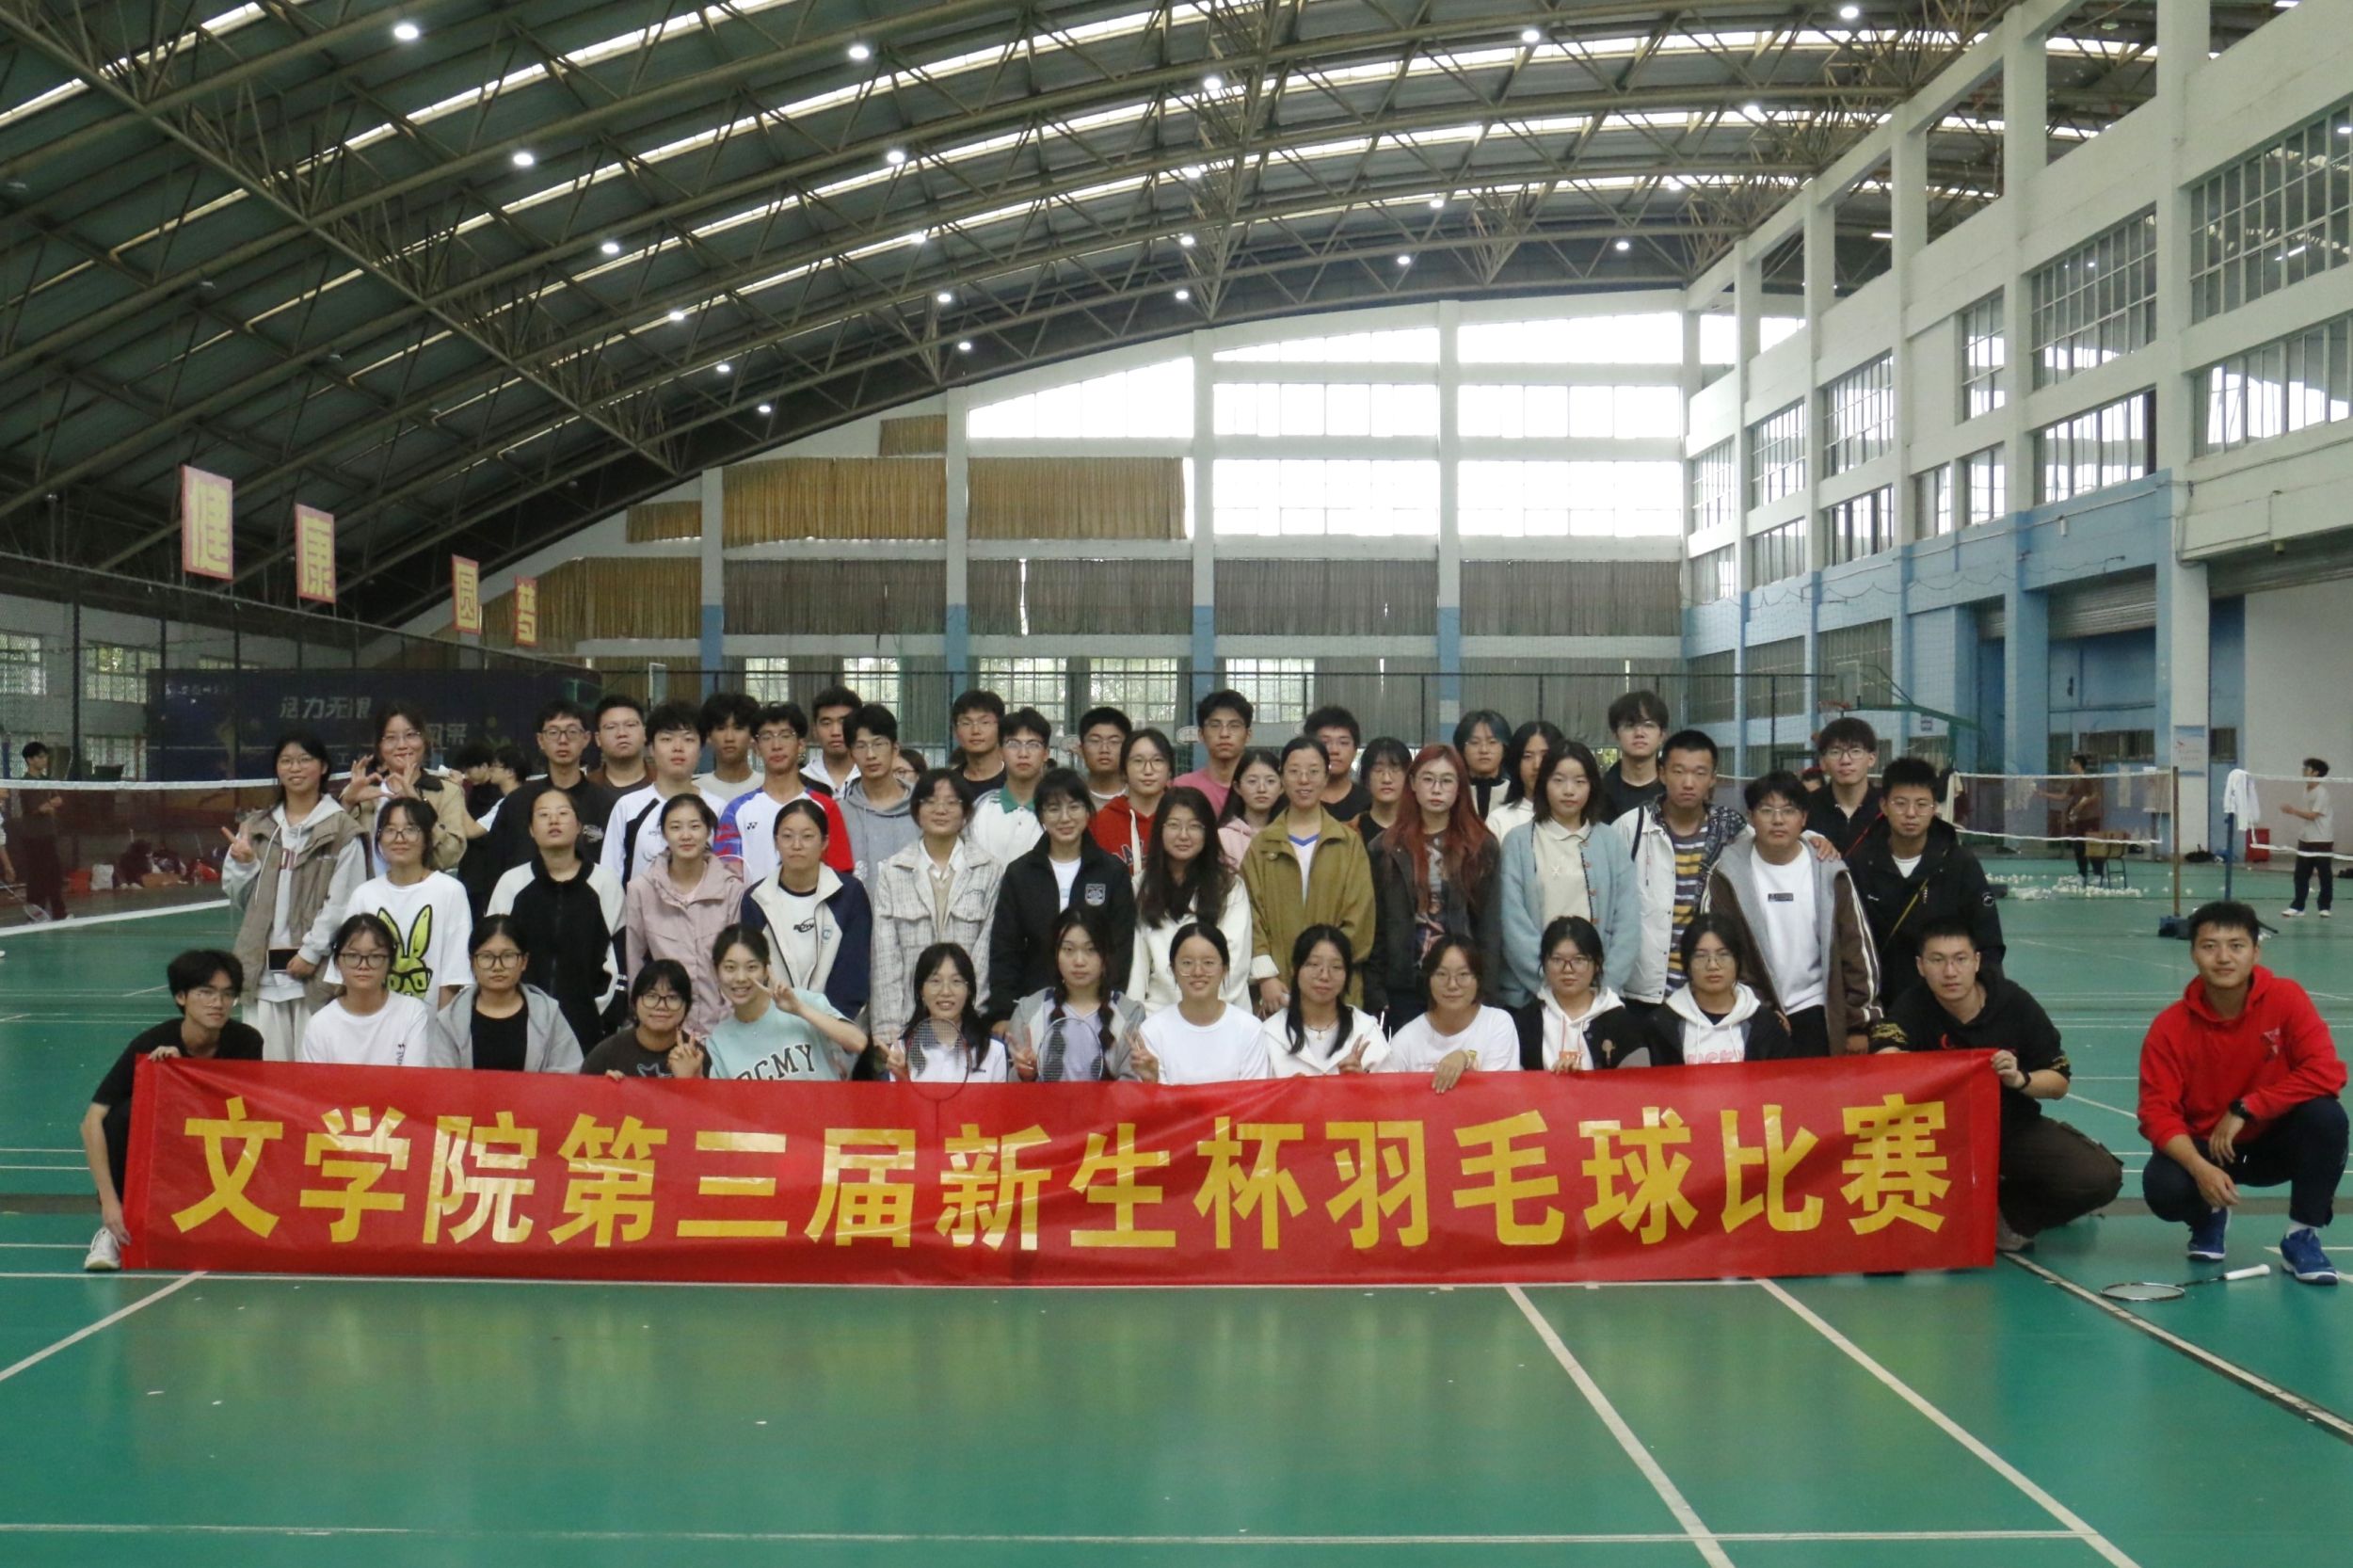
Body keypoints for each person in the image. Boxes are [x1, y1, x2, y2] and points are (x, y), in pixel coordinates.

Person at [2137, 901, 2347, 1283]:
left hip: (2272, 1145)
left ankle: (2302, 1235)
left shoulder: (2286, 999)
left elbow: (2327, 1073)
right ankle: (2208, 1215)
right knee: (2163, 1187)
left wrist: (2247, 1107)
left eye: (2236, 946)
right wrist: (2200, 1169)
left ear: (2255, 952)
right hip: (2207, 1149)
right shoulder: (2169, 1027)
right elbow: (2156, 1113)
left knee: (2327, 1117)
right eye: (2210, 946)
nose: (2223, 958)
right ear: (2193, 953)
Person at [1881, 920, 2121, 1252]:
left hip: (2009, 1128)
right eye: (1937, 960)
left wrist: (2020, 1079)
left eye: (1960, 959)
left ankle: (2007, 1215)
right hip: (1936, 1137)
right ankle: (1965, 1204)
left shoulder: (2013, 1003)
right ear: (1921, 966)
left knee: (2097, 1177)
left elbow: (2058, 1081)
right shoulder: (1911, 1005)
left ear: (1977, 961)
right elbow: (1885, 1057)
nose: (1950, 971)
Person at [80, 949, 264, 1271]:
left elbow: (245, 1109)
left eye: (227, 994)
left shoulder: (246, 1042)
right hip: (166, 1145)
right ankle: (113, 1231)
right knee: (122, 1115)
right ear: (181, 997)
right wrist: (109, 1202)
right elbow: (93, 1120)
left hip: (217, 1146)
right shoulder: (151, 1043)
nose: (218, 1003)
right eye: (206, 992)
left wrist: (182, 1076)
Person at [1702, 771, 1881, 1057]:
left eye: (1788, 810)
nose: (1778, 820)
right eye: (1766, 810)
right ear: (1750, 817)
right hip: (1751, 1012)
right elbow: (1716, 948)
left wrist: (1859, 1023)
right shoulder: (1727, 875)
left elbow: (1855, 945)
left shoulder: (1829, 870)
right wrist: (1756, 1006)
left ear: (1804, 818)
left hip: (1817, 1008)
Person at [222, 729, 367, 1061]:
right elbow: (241, 899)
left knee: (315, 1068)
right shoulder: (258, 827)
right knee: (266, 1069)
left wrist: (312, 952)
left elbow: (344, 902)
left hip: (315, 977)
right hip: (261, 972)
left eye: (304, 759)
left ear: (324, 767)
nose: (295, 768)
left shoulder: (341, 829)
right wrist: (244, 865)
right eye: (286, 761)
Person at [1848, 756, 2004, 1004]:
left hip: (1944, 1005)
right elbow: (1848, 945)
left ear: (1934, 808)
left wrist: (1982, 1003)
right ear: (1884, 806)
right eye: (1900, 803)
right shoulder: (1859, 863)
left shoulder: (1960, 863)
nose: (1911, 813)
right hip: (1878, 1004)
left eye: (1922, 804)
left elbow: (1988, 943)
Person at [1619, 728, 1750, 1021]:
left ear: (1713, 778)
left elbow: (1773, 845)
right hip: (1644, 992)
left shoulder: (1731, 830)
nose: (1688, 783)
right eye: (1678, 771)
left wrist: (1812, 839)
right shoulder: (1632, 827)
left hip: (1710, 991)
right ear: (1662, 774)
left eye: (1699, 773)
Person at [1240, 735, 1376, 1015]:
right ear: (1282, 778)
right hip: (1276, 993)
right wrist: (1265, 975)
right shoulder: (1262, 845)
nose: (1304, 780)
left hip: (1336, 989)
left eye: (1313, 771)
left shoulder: (1348, 843)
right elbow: (1249, 913)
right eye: (1294, 771)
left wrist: (1324, 971)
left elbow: (1360, 919)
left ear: (1326, 777)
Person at [1495, 742, 1637, 1008]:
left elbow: (1627, 922)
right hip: (1533, 996)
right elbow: (1512, 922)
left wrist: (1604, 986)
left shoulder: (1611, 841)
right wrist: (1549, 981)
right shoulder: (1519, 842)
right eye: (1558, 780)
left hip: (1599, 996)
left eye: (1580, 781)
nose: (1569, 790)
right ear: (1543, 785)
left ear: (1592, 786)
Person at [1368, 744, 1497, 1029]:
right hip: (1404, 984)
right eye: (1428, 779)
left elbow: (1490, 926)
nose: (1436, 789)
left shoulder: (1480, 846)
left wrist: (1486, 989)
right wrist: (1375, 989)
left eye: (1447, 780)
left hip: (1461, 983)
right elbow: (1375, 925)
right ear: (1413, 784)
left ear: (1460, 788)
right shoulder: (1384, 847)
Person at [990, 768, 1135, 1026]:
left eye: (1074, 807)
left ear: (1088, 811)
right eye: (1054, 809)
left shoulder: (1112, 872)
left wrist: (1108, 1006)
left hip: (1098, 1010)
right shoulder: (1020, 874)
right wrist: (1003, 1013)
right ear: (1041, 815)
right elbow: (1005, 948)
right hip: (1033, 1009)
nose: (1065, 818)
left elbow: (1121, 947)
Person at [868, 771, 1002, 1047]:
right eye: (930, 801)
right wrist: (888, 1029)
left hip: (968, 1024)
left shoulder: (989, 870)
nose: (941, 810)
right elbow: (885, 957)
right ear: (916, 811)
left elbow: (985, 952)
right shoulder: (894, 871)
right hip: (908, 1022)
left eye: (952, 802)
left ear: (966, 813)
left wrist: (971, 1016)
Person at [487, 790, 625, 1049]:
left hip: (588, 1026)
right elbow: (491, 952)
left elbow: (618, 955)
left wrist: (601, 1014)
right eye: (543, 815)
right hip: (517, 1022)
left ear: (579, 827)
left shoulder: (605, 883)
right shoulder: (512, 883)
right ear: (531, 830)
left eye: (563, 813)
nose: (553, 820)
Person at [737, 796, 872, 1026]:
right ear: (775, 842)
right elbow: (754, 973)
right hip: (775, 1028)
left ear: (825, 842)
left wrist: (826, 1022)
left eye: (807, 836)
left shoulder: (849, 893)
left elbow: (854, 971)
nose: (796, 845)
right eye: (787, 836)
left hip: (837, 1029)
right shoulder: (756, 899)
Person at [620, 792, 745, 1035]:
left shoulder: (732, 889)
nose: (686, 835)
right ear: (664, 833)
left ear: (708, 831)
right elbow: (634, 961)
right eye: (676, 827)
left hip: (723, 1028)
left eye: (695, 826)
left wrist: (728, 1029)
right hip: (664, 1027)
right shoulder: (641, 890)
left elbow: (736, 966)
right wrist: (643, 1019)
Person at [337, 796, 472, 1008]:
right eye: (390, 830)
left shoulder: (450, 891)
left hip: (431, 1021)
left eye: (410, 829)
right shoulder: (364, 894)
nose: (399, 838)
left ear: (427, 838)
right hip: (374, 1019)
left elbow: (454, 975)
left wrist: (444, 1026)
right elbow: (345, 972)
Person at [1130, 786, 1252, 1013]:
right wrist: (1136, 1018)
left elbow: (1235, 963)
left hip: (1222, 1012)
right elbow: (1136, 967)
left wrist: (1193, 1013)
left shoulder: (1230, 887)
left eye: (1195, 826)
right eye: (1174, 825)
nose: (1183, 835)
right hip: (1157, 1013)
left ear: (1208, 833)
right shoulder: (1141, 886)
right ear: (1160, 830)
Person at [702, 925, 868, 1080]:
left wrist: (800, 1009)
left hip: (825, 1103)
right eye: (730, 968)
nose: (740, 978)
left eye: (751, 967)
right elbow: (720, 1099)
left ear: (766, 970)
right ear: (716, 971)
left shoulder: (801, 1000)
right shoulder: (719, 1041)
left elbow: (858, 1043)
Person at [600, 700, 735, 888]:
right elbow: (609, 878)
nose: (677, 747)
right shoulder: (628, 807)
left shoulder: (719, 809)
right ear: (651, 748)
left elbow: (729, 877)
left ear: (701, 750)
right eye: (666, 739)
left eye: (688, 739)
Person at [713, 702, 853, 884]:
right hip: (752, 902)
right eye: (766, 737)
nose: (776, 745)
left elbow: (841, 878)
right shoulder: (736, 810)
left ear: (801, 745)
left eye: (785, 736)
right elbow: (725, 879)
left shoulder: (826, 806)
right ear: (756, 748)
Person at [1004, 909, 1149, 1081]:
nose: (1079, 961)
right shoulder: (1028, 1011)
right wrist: (1024, 1075)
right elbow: (1012, 1088)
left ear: (1106, 955)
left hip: (1111, 1101)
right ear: (1056, 954)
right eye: (1068, 949)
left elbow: (1134, 1085)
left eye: (1091, 949)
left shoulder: (1130, 1014)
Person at [427, 916, 585, 1072]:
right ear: (472, 962)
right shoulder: (451, 1020)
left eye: (508, 956)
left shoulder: (548, 1014)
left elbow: (569, 1073)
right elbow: (442, 1080)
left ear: (524, 961)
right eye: (486, 957)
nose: (497, 966)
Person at [339, 703, 481, 872]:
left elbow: (449, 857)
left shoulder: (447, 792)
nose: (402, 745)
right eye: (391, 738)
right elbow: (329, 851)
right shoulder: (360, 792)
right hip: (369, 887)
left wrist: (420, 807)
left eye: (410, 735)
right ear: (379, 747)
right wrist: (347, 803)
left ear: (424, 740)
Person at [486, 698, 615, 880]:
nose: (563, 740)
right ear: (540, 740)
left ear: (586, 738)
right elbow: (493, 865)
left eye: (572, 732)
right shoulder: (516, 803)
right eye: (553, 732)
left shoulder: (606, 804)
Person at [1640, 915, 1794, 1065]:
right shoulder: (1663, 1024)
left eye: (1723, 955)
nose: (1713, 965)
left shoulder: (1765, 1023)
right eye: (1701, 956)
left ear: (1737, 961)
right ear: (1687, 964)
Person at [1128, 922, 1271, 1084]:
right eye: (1187, 963)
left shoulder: (1250, 1029)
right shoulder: (1152, 1031)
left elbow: (1253, 1095)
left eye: (1208, 963)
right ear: (1173, 969)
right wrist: (1151, 1081)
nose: (1197, 972)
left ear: (1224, 969)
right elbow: (1155, 1098)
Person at [1380, 937, 1518, 1091]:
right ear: (1428, 979)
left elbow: (1498, 1094)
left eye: (1463, 975)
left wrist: (1465, 1058)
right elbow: (1388, 1095)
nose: (1452, 985)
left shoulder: (1497, 1024)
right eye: (1442, 974)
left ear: (1478, 980)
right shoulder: (1406, 1039)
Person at [301, 913, 436, 1066]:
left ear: (390, 962)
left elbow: (414, 1077)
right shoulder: (319, 1024)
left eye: (375, 956)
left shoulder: (411, 1011)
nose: (363, 965)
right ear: (337, 962)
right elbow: (315, 1081)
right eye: (353, 956)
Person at [1513, 917, 1643, 1072]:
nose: (1568, 969)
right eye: (1557, 960)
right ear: (1544, 963)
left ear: (1597, 964)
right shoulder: (1525, 1022)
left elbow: (1637, 1083)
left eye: (1579, 960)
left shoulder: (1622, 1023)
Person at [1261, 925, 1389, 1076]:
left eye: (1336, 967)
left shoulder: (1365, 1029)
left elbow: (1390, 1087)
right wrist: (1288, 1089)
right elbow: (1257, 1089)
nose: (1324, 976)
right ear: (1294, 970)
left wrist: (1362, 1081)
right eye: (1314, 964)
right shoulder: (1271, 1033)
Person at [884, 943, 1007, 1081]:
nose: (946, 991)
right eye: (935, 981)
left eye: (956, 981)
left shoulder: (994, 1049)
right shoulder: (901, 1050)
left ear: (969, 991)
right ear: (921, 991)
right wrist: (902, 1079)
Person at [580, 961, 708, 1078]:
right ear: (634, 1002)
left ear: (687, 1006)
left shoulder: (697, 1057)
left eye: (672, 997)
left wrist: (689, 1081)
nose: (661, 1006)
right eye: (651, 996)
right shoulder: (606, 1054)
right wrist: (607, 1089)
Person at [838, 703, 918, 881]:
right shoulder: (841, 813)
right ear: (851, 754)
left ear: (895, 749)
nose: (871, 755)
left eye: (879, 744)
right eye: (860, 746)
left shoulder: (922, 807)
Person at [966, 707, 1051, 866]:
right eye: (1013, 744)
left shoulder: (1058, 811)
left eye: (1033, 744)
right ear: (1000, 752)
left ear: (1046, 753)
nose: (1023, 753)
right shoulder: (979, 810)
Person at [1092, 727, 1174, 872]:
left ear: (1170, 771)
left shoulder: (1185, 819)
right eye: (1138, 761)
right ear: (1124, 771)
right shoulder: (1100, 823)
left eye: (1157, 760)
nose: (1148, 770)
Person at [1805, 716, 1882, 855]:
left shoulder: (1887, 806)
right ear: (1822, 762)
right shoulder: (1806, 807)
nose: (1845, 760)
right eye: (1835, 752)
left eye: (1855, 751)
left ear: (1872, 758)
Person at [8, 741, 66, 920]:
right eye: (40, 757)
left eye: (45, 756)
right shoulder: (26, 783)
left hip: (49, 834)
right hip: (33, 836)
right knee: (37, 877)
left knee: (55, 875)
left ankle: (60, 915)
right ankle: (34, 916)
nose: (45, 759)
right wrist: (49, 805)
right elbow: (39, 808)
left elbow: (58, 800)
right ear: (30, 760)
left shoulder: (47, 781)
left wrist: (49, 805)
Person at [1173, 688, 1254, 811]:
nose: (1224, 734)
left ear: (1248, 735)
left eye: (1234, 726)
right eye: (1215, 725)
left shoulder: (1262, 790)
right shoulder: (1182, 788)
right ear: (1201, 734)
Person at [1596, 690, 1670, 825]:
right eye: (1630, 725)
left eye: (1648, 725)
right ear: (1615, 734)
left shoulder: (1675, 788)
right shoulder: (1598, 793)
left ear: (1662, 735)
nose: (1639, 733)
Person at [1485, 719, 1563, 842]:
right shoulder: (1499, 820)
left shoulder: (1574, 817)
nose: (1537, 765)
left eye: (1545, 756)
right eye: (1527, 756)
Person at [2281, 757, 2335, 920]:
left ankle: (2324, 907)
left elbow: (2312, 815)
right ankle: (2298, 907)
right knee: (2300, 875)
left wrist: (2292, 811)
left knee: (2325, 876)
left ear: (2316, 772)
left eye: (2307, 769)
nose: (2303, 771)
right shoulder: (2306, 789)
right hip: (2306, 839)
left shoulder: (2322, 793)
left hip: (2322, 839)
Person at [1215, 747, 1284, 870]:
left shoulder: (1290, 834)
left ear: (1282, 787)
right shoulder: (1222, 838)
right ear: (1237, 787)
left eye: (1270, 781)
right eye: (1252, 781)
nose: (1261, 789)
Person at [1304, 705, 1374, 822]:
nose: (1334, 750)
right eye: (1325, 742)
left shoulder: (1370, 804)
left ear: (1355, 750)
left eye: (1343, 743)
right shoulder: (1293, 801)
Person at [696, 691, 762, 797]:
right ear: (708, 736)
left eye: (738, 728)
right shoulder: (695, 792)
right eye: (721, 728)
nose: (729, 738)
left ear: (753, 736)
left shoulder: (768, 788)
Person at [949, 688, 1008, 803]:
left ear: (1001, 728)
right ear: (955, 731)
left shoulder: (1017, 782)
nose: (975, 730)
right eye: (966, 723)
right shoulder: (948, 785)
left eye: (985, 722)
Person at [804, 683, 864, 796]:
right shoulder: (801, 782)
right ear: (814, 730)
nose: (835, 732)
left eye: (844, 722)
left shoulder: (872, 778)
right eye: (826, 723)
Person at [1453, 710, 1511, 821]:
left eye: (1492, 742)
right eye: (1474, 742)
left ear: (1504, 748)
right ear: (1462, 749)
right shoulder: (1453, 792)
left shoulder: (1515, 793)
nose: (1484, 750)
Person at [586, 694, 650, 792]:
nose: (622, 733)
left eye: (630, 725)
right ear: (598, 739)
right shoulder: (585, 788)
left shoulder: (667, 783)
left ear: (645, 733)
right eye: (611, 727)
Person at [1355, 737, 1412, 845]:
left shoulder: (1421, 828)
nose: (1387, 779)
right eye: (1378, 770)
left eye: (1395, 769)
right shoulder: (1350, 830)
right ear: (1366, 778)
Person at [1077, 705, 1133, 809]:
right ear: (1081, 749)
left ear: (1128, 749)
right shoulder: (1070, 796)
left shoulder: (1140, 797)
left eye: (1114, 741)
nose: (1104, 749)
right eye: (1095, 741)